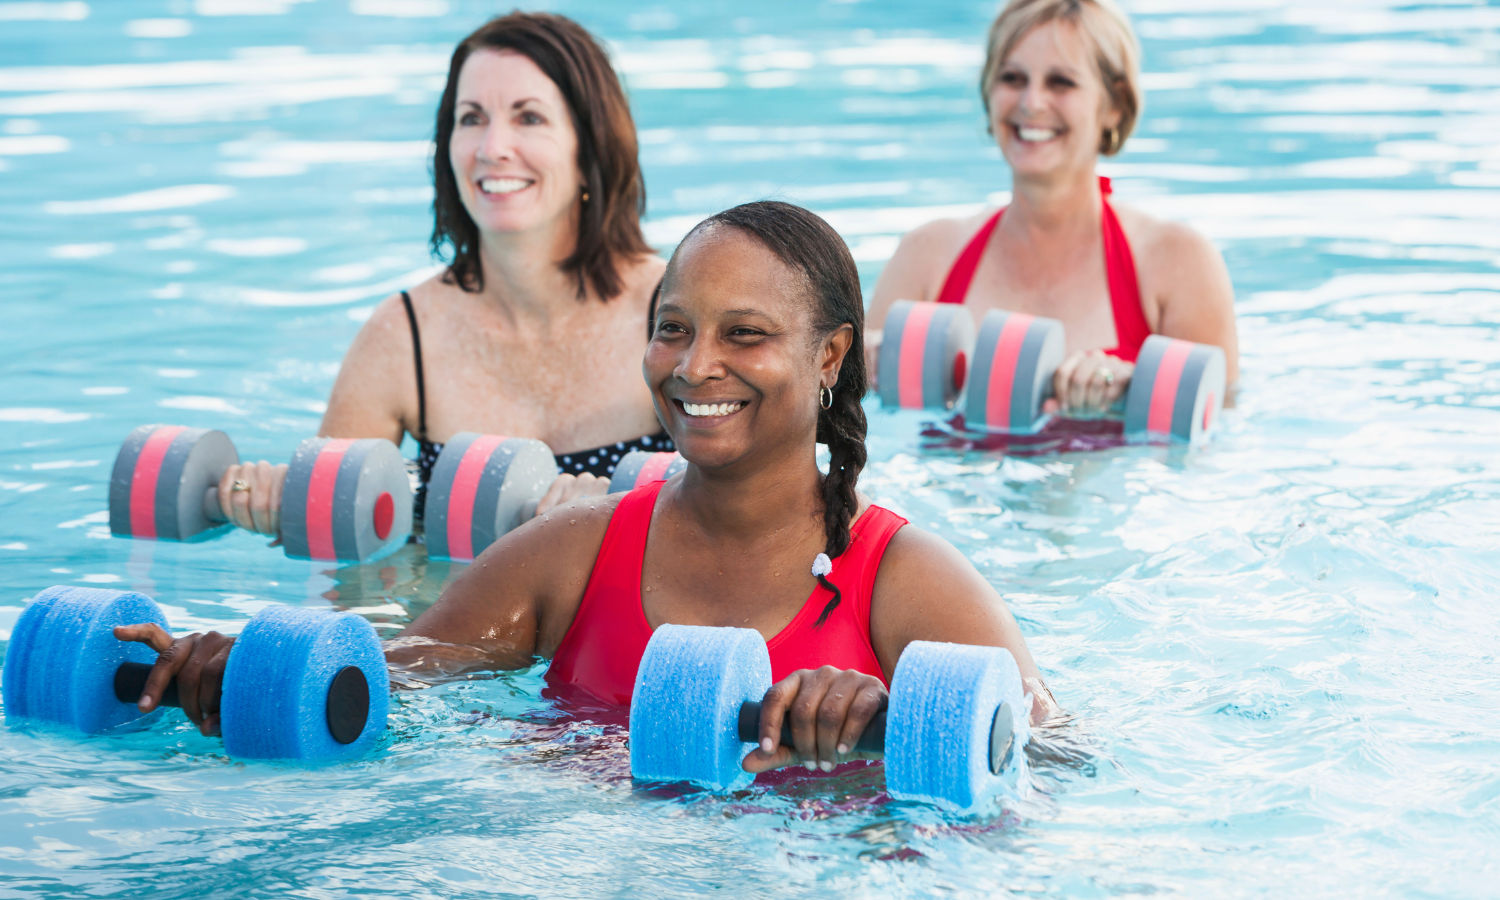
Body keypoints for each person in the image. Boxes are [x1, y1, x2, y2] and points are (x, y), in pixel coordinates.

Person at [116, 202, 1057, 776]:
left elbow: (1055, 758)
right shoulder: (567, 557)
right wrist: (237, 666)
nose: (695, 367)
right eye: (675, 328)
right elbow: (392, 685)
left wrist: (884, 729)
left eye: (744, 334)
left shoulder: (906, 581)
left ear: (831, 357)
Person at [218, 12, 671, 537]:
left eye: (529, 118)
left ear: (588, 148)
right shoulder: (402, 337)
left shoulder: (674, 316)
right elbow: (335, 551)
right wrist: (268, 501)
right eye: (471, 118)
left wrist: (618, 508)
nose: (491, 147)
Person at [868, 0, 1238, 417]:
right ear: (989, 92)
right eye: (1012, 78)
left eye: (1061, 82)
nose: (1031, 102)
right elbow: (848, 416)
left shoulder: (1178, 261)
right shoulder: (927, 255)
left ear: (1114, 104)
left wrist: (1131, 393)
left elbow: (1218, 430)